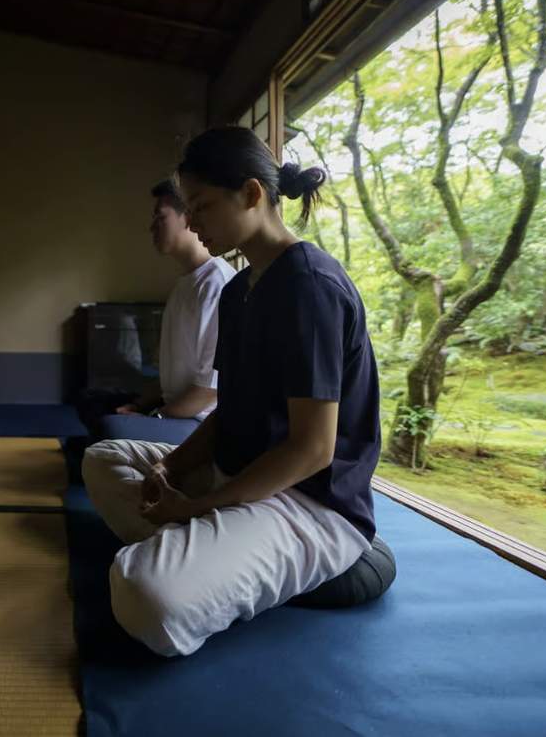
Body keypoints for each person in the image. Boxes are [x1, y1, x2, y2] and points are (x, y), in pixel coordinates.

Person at [81, 126, 387, 657]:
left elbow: (313, 450)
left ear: (251, 194)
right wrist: (170, 468)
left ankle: (208, 557)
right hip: (238, 475)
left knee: (143, 594)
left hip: (308, 504)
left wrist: (196, 509)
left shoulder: (310, 285)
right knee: (104, 460)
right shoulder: (238, 289)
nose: (191, 222)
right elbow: (230, 409)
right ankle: (217, 561)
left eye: (200, 206)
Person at [99, 179, 235, 444]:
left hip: (201, 424)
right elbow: (168, 382)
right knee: (93, 402)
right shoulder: (185, 283)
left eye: (159, 217)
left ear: (188, 218)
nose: (152, 227)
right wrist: (138, 406)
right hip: (176, 412)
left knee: (110, 429)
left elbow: (209, 391)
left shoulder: (216, 284)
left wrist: (155, 417)